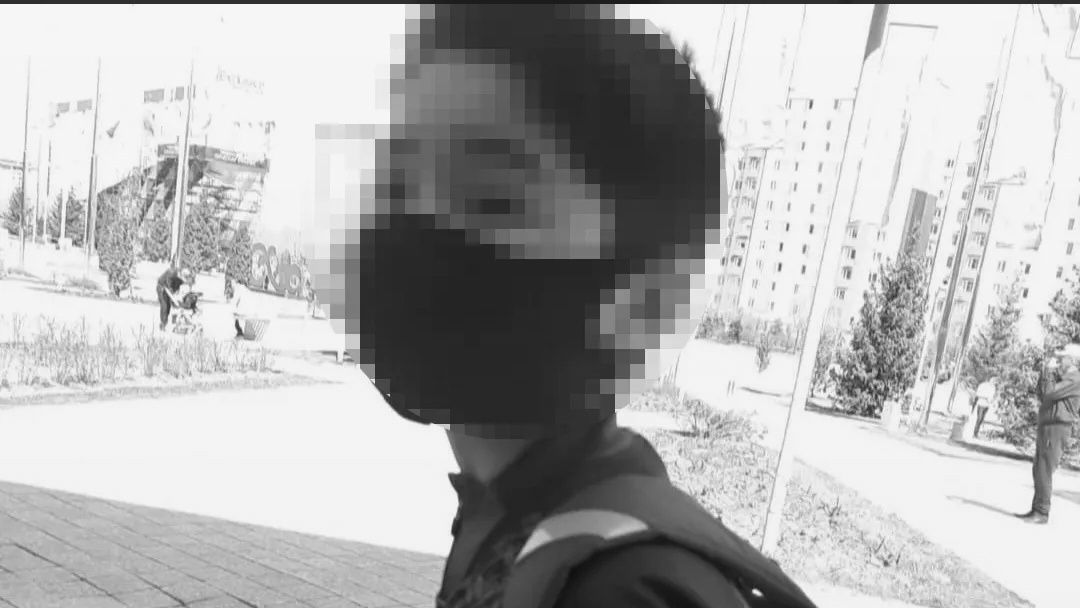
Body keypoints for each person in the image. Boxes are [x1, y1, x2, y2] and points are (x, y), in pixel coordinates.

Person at [308, 5, 817, 608]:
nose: (415, 224)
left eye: (487, 194)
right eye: (402, 175)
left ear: (640, 296)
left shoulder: (620, 590)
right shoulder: (532, 526)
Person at [1016, 344, 1080, 525]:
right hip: (1048, 425)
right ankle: (1036, 508)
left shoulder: (1075, 379)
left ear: (1072, 360)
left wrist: (1048, 371)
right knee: (1038, 467)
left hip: (1057, 427)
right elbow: (1042, 393)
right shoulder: (1063, 378)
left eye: (1063, 358)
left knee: (1044, 469)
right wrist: (1046, 373)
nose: (1059, 360)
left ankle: (1042, 512)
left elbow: (1050, 393)